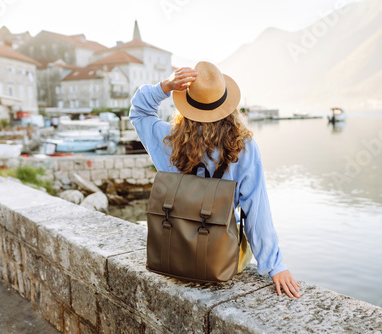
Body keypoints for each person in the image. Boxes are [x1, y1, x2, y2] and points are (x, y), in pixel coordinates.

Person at [129, 62, 301, 299]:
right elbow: (256, 210)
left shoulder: (167, 140)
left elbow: (139, 111)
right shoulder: (244, 148)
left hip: (171, 253)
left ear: (186, 105)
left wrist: (166, 86)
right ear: (227, 106)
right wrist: (275, 266)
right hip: (220, 260)